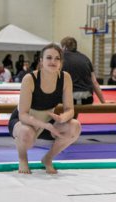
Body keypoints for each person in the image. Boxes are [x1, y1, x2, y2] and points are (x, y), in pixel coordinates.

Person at [9, 44, 81, 174]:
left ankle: (48, 158)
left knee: (75, 126)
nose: (53, 61)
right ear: (41, 61)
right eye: (49, 58)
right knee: (26, 133)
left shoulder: (65, 78)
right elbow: (23, 115)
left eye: (56, 58)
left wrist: (62, 118)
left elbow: (70, 109)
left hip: (47, 121)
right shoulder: (30, 78)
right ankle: (22, 158)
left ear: (61, 62)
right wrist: (47, 126)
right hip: (24, 122)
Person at [60, 36, 107, 105]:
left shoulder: (60, 58)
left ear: (64, 47)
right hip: (87, 98)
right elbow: (94, 82)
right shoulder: (85, 58)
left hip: (69, 99)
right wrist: (103, 101)